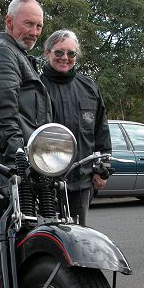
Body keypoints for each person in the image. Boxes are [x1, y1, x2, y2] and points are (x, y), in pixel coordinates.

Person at [40, 29, 112, 226]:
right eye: (59, 52)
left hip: (81, 181)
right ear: (47, 53)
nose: (65, 58)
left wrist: (102, 168)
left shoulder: (89, 88)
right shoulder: (34, 87)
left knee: (79, 236)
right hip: (44, 183)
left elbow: (101, 131)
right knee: (47, 236)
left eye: (71, 53)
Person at [0, 0, 51, 187]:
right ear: (9, 21)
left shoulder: (18, 55)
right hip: (14, 170)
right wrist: (21, 159)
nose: (35, 32)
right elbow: (0, 118)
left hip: (30, 165)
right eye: (29, 24)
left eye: (39, 26)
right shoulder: (2, 54)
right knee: (19, 218)